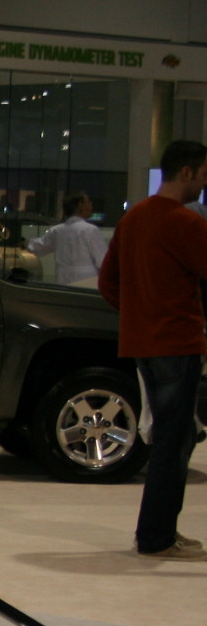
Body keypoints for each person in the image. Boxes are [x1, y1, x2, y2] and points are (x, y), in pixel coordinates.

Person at [97, 140, 207, 561]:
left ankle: (159, 531)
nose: (204, 181)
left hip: (144, 343)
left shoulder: (134, 217)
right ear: (186, 172)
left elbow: (109, 282)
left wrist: (140, 314)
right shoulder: (185, 223)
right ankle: (156, 535)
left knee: (170, 439)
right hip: (177, 344)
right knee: (172, 441)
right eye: (202, 174)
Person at [28, 192, 109, 285]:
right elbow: (103, 261)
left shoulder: (57, 231)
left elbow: (37, 247)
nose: (91, 205)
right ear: (80, 205)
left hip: (63, 280)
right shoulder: (91, 230)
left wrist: (23, 244)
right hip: (88, 281)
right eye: (89, 202)